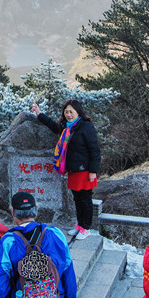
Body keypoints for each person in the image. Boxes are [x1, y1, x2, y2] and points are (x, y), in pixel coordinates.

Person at [30, 99, 101, 240]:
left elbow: (95, 150)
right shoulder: (66, 126)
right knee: (77, 198)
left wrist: (93, 171)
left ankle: (86, 228)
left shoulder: (86, 126)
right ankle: (80, 226)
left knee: (86, 199)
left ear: (78, 112)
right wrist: (39, 114)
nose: (68, 114)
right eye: (66, 112)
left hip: (85, 170)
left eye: (71, 112)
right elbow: (53, 126)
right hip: (73, 169)